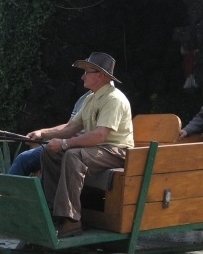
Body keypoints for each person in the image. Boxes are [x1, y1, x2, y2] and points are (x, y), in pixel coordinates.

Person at [29, 52, 134, 238]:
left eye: (87, 72)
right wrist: (42, 134)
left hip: (117, 152)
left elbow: (100, 136)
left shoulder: (114, 99)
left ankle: (71, 220)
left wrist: (64, 144)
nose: (82, 76)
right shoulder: (90, 99)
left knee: (73, 155)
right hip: (99, 149)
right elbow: (71, 128)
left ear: (101, 75)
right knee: (49, 153)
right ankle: (53, 212)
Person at [8, 91, 90, 176]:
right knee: (23, 159)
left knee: (24, 160)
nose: (83, 77)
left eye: (86, 76)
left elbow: (70, 129)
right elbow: (69, 126)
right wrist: (40, 133)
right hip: (66, 145)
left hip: (79, 149)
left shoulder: (101, 99)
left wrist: (44, 134)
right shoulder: (85, 98)